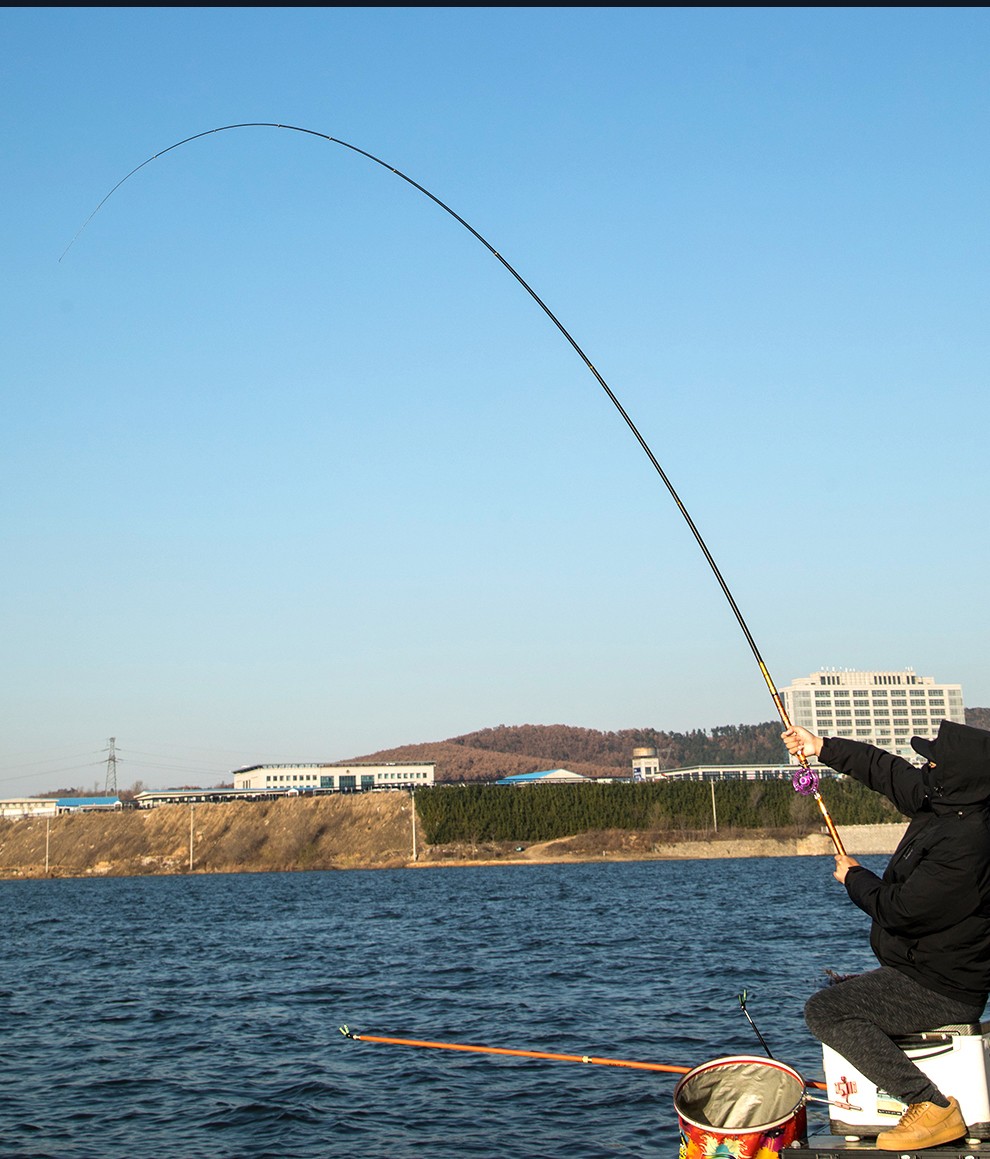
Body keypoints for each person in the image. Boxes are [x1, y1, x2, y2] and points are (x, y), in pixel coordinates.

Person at [781, 718, 990, 1151]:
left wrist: (855, 878)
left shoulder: (970, 843)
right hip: (921, 970)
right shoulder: (948, 799)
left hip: (945, 987)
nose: (924, 767)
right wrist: (820, 746)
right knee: (842, 998)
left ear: (956, 775)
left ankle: (930, 1106)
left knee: (825, 1011)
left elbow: (901, 912)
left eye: (932, 762)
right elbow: (886, 770)